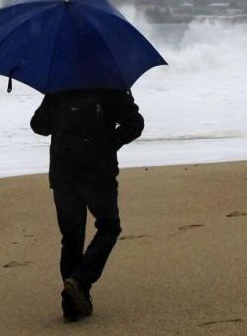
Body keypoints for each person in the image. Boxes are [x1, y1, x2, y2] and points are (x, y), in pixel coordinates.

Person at [30, 88, 144, 322]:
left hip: (63, 173)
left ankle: (71, 305)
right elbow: (135, 124)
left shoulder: (60, 85)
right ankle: (81, 281)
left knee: (72, 237)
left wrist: (53, 101)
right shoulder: (111, 86)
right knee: (109, 226)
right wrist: (109, 143)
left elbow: (39, 126)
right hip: (98, 172)